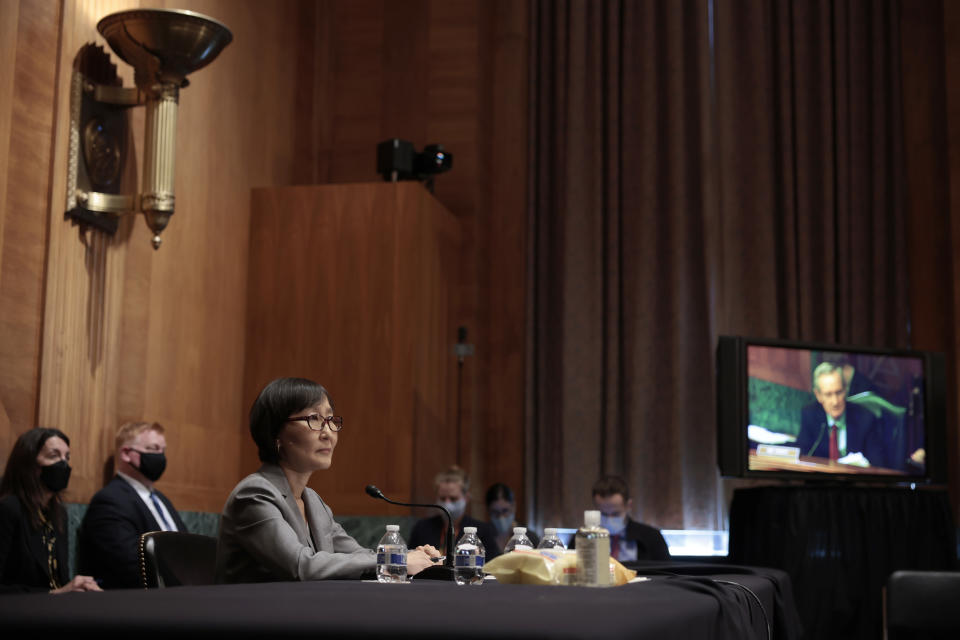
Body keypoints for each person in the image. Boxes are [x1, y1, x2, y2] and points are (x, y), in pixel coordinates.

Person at [216, 377, 438, 582]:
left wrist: (411, 556)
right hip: (250, 619)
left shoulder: (313, 501)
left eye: (331, 420)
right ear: (276, 434)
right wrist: (397, 561)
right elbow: (302, 566)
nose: (328, 432)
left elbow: (357, 555)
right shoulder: (254, 494)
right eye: (314, 419)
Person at [78, 421, 186, 589]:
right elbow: (130, 565)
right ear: (127, 454)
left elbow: (186, 548)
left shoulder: (161, 499)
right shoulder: (110, 501)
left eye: (163, 450)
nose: (161, 456)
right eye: (153, 449)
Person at [0, 427, 102, 593]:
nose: (63, 463)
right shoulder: (8, 509)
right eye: (54, 456)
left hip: (54, 610)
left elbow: (58, 580)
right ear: (29, 463)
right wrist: (56, 594)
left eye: (67, 457)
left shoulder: (58, 512)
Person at [796, 362, 885, 466]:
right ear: (818, 395)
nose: (835, 402)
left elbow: (878, 464)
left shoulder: (866, 419)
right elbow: (802, 456)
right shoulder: (810, 415)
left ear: (846, 390)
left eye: (839, 392)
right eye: (828, 394)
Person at [408, 465, 501, 559]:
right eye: (443, 498)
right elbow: (409, 560)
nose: (447, 504)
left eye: (453, 498)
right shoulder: (421, 528)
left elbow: (492, 566)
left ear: (466, 498)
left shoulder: (482, 531)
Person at [571, 475, 670, 562]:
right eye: (604, 514)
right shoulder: (581, 538)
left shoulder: (652, 537)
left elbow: (667, 575)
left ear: (628, 506)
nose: (609, 519)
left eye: (615, 513)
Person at [485, 482, 539, 550]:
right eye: (495, 512)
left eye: (505, 511)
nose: (501, 517)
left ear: (514, 507)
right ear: (488, 511)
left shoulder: (530, 538)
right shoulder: (483, 536)